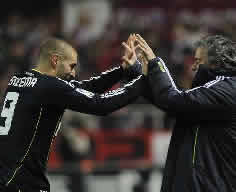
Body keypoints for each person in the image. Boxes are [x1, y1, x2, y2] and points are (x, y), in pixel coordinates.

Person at [0, 36, 146, 192]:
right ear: (55, 60)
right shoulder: (50, 87)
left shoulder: (18, 80)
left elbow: (85, 87)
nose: (74, 72)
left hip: (7, 175)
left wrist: (121, 71)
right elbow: (101, 104)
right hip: (22, 182)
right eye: (72, 66)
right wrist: (143, 82)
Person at [134, 34, 236, 192]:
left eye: (198, 61)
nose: (193, 67)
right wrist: (138, 76)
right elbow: (174, 105)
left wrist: (156, 64)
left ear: (215, 64)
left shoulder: (227, 88)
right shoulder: (215, 95)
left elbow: (172, 99)